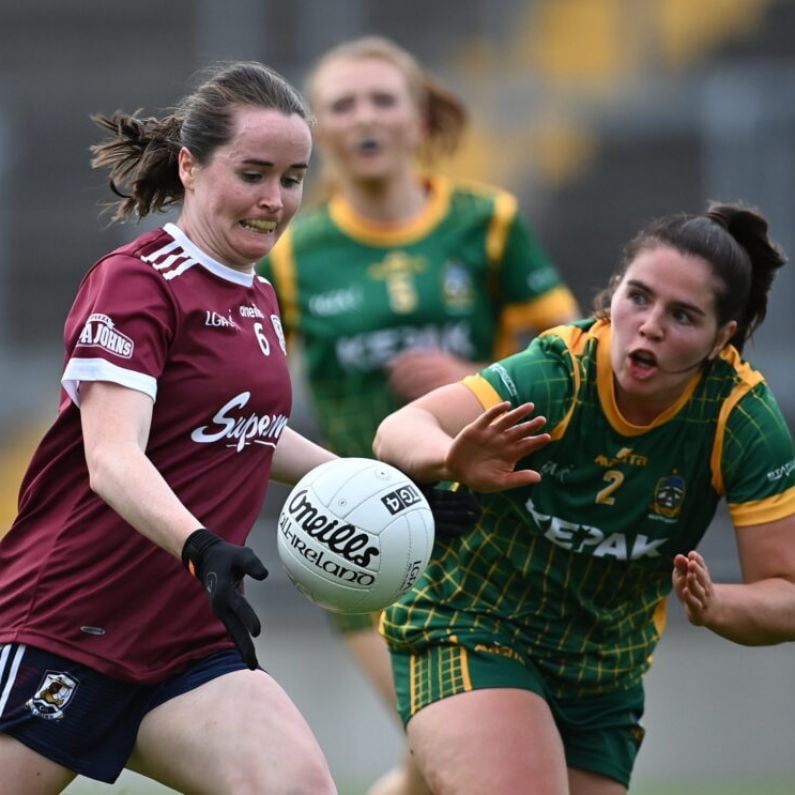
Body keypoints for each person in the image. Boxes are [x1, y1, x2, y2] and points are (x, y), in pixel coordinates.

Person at [373, 201, 795, 795]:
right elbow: (398, 430)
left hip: (601, 673)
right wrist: (452, 459)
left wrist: (717, 606)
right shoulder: (560, 371)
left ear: (721, 337)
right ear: (615, 289)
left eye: (683, 315)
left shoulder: (739, 418)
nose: (650, 325)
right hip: (471, 622)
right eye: (640, 297)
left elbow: (787, 595)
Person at [0, 61, 340, 794]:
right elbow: (112, 457)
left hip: (186, 643)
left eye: (292, 177)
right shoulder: (137, 282)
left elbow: (248, 429)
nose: (274, 200)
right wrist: (201, 545)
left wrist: (372, 486)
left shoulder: (257, 298)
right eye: (253, 173)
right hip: (68, 622)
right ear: (189, 166)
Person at [257, 35, 579, 795]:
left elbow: (574, 360)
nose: (363, 117)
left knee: (444, 760)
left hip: (491, 534)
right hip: (367, 538)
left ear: (416, 117)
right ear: (317, 131)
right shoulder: (296, 254)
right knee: (449, 747)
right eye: (341, 104)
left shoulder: (487, 222)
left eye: (381, 99)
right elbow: (252, 390)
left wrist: (469, 380)